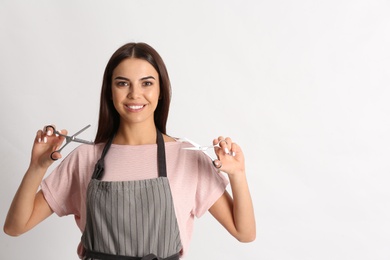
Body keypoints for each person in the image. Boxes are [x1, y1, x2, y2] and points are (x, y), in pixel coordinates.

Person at [4, 42, 256, 259]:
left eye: (146, 83)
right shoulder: (85, 159)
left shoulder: (187, 157)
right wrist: (36, 168)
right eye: (123, 83)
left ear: (160, 91)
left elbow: (244, 233)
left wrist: (238, 175)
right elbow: (15, 227)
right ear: (110, 92)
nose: (135, 94)